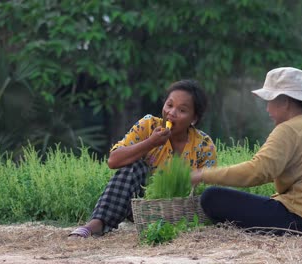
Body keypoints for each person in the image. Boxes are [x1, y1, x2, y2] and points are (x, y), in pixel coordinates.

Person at [191, 67, 302, 235]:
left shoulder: (289, 129)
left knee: (212, 198)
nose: (267, 109)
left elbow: (258, 171)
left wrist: (203, 174)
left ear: (285, 101)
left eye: (269, 101)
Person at [69, 79, 218, 238]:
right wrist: (150, 143)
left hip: (179, 210)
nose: (171, 113)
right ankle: (96, 224)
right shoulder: (148, 125)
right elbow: (113, 161)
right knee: (133, 167)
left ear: (194, 119)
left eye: (182, 110)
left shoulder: (204, 144)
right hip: (141, 207)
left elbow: (208, 189)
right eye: (169, 105)